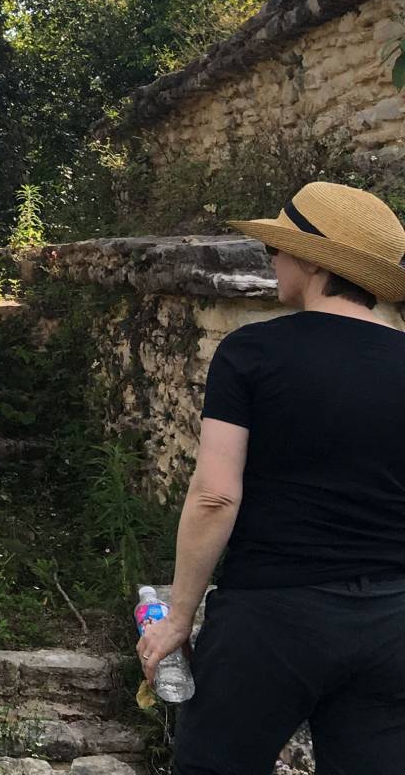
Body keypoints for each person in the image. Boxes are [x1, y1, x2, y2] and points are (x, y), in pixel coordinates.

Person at [137, 181, 405, 773]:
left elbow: (214, 496)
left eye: (277, 250)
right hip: (391, 621)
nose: (273, 262)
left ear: (312, 259)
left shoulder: (251, 353)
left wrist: (180, 617)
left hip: (271, 618)